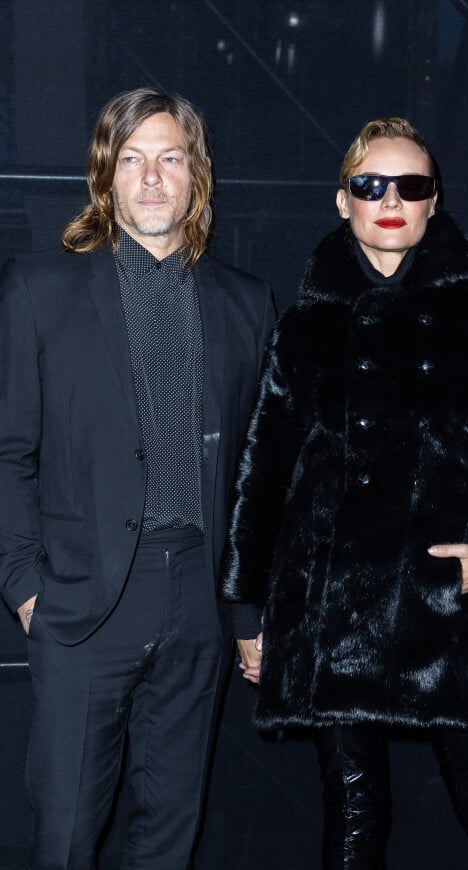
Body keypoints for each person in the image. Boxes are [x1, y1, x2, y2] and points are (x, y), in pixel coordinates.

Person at [220, 117, 468, 869]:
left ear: (434, 202)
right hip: (331, 611)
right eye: (370, 185)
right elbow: (265, 472)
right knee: (352, 819)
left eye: (410, 186)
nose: (390, 199)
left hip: (453, 609)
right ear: (342, 201)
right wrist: (249, 610)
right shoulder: (305, 330)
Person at [0, 87, 274, 869]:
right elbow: (7, 451)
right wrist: (24, 585)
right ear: (105, 177)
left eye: (170, 158)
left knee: (170, 833)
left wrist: (246, 613)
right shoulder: (38, 289)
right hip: (82, 602)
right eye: (132, 159)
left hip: (197, 600)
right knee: (64, 834)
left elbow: (256, 476)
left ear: (196, 178)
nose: (151, 178)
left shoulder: (246, 303)